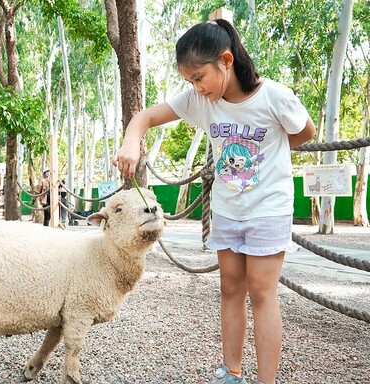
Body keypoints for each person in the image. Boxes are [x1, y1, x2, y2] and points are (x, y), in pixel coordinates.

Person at [111, 19, 315, 384]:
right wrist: (131, 140)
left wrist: (266, 157)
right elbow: (144, 117)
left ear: (226, 60)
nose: (195, 87)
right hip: (227, 209)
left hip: (269, 207)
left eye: (199, 77)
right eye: (189, 81)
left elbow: (304, 131)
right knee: (231, 289)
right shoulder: (200, 100)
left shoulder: (274, 96)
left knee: (262, 292)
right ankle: (232, 373)